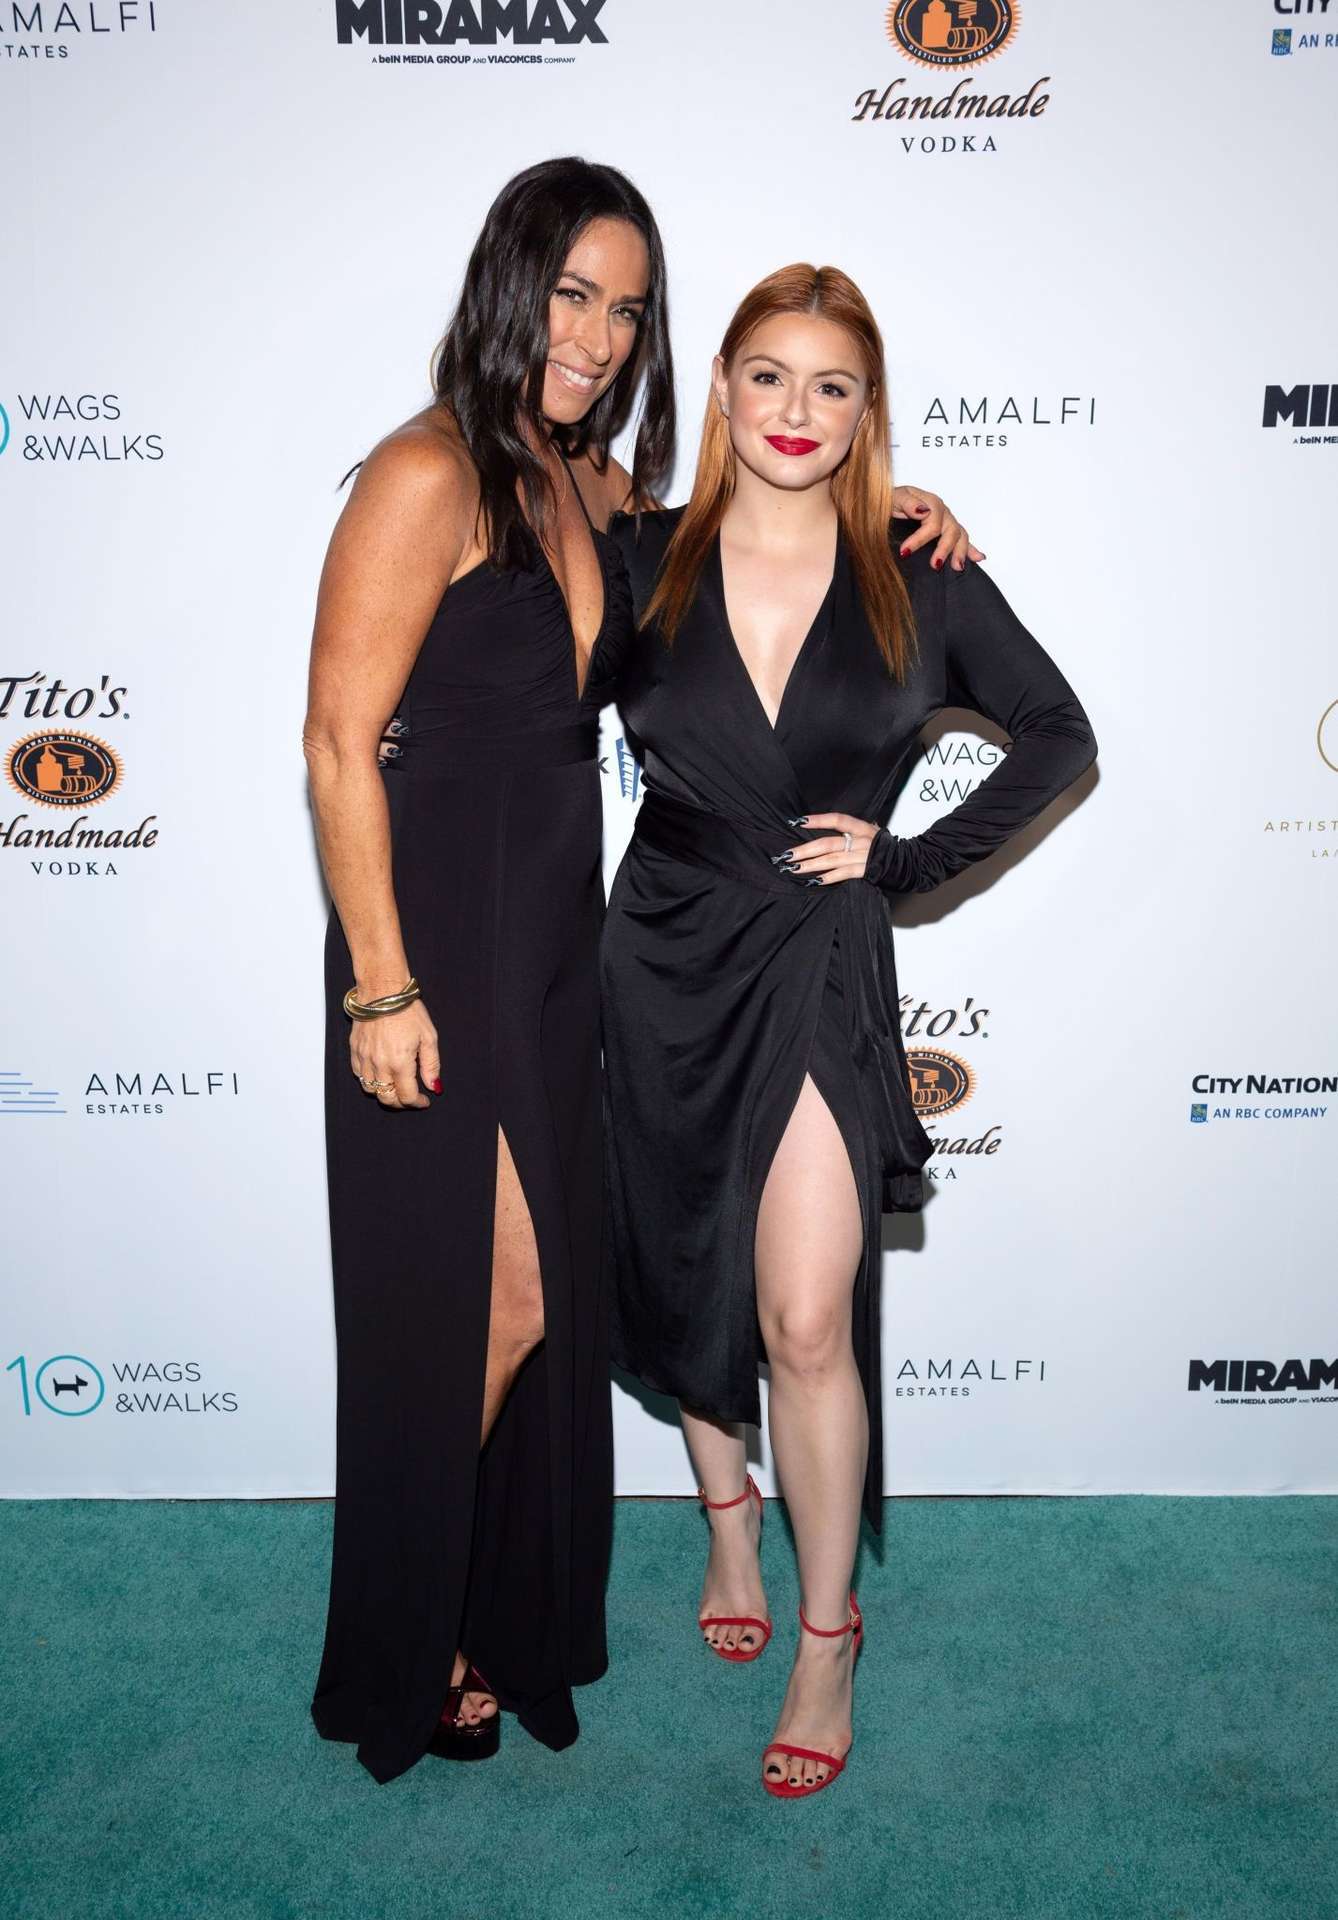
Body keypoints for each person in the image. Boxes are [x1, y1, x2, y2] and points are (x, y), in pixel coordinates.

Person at [302, 154, 980, 1785]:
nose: (596, 335)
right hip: (434, 938)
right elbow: (334, 741)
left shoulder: (587, 485)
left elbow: (744, 535)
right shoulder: (423, 472)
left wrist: (908, 513)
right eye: (570, 294)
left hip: (562, 944)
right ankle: (403, 1639)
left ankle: (494, 1606)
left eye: (625, 309)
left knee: (542, 1299)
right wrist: (380, 983)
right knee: (483, 1307)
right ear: (506, 283)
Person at [602, 264, 1097, 1799]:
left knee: (805, 1318)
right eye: (766, 375)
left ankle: (828, 1636)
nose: (794, 411)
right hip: (661, 952)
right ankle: (725, 1522)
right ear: (721, 386)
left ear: (866, 407)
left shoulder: (916, 572)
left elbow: (1059, 734)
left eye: (831, 386)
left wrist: (906, 860)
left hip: (816, 958)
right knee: (682, 1259)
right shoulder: (635, 556)